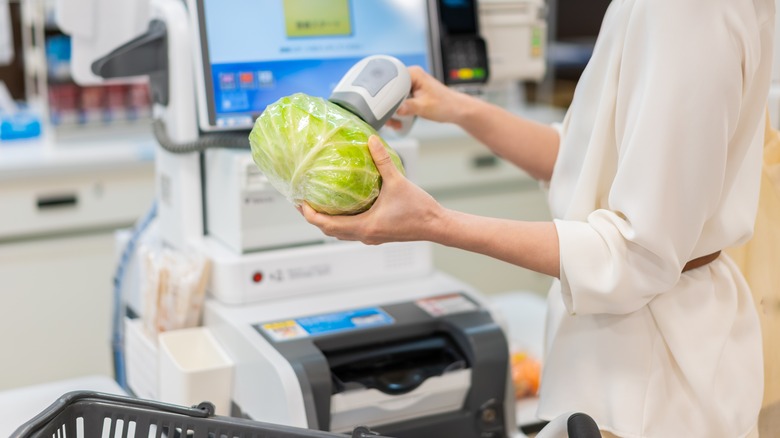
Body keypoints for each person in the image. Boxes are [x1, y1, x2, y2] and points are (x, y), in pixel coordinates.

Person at [300, 0, 774, 436]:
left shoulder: (685, 11)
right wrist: (458, 108)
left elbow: (637, 254)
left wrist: (432, 222)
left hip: (654, 382)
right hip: (631, 355)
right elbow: (589, 162)